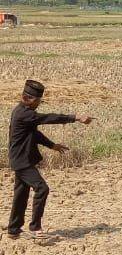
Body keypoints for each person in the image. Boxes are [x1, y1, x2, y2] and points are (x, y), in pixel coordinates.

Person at [7, 80, 94, 240]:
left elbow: (34, 134)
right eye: (38, 101)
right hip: (22, 161)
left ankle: (13, 229)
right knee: (42, 188)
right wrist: (75, 117)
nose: (39, 104)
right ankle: (35, 227)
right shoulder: (24, 113)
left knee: (21, 194)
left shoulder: (22, 111)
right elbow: (49, 118)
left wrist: (52, 145)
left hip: (20, 159)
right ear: (31, 99)